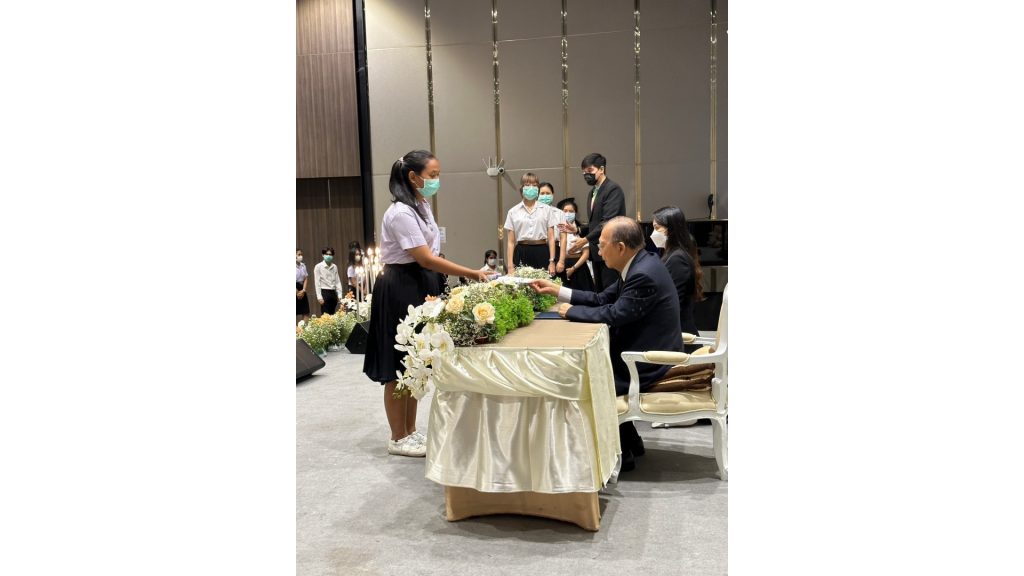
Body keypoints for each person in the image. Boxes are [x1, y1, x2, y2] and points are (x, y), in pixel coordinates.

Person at [363, 149, 492, 458]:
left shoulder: (421, 206)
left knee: (416, 362)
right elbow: (425, 258)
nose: (436, 180)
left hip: (420, 283)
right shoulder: (401, 213)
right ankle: (398, 437)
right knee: (399, 365)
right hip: (401, 286)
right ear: (413, 177)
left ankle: (410, 429)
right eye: (432, 175)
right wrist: (472, 272)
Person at [529, 217, 683, 472]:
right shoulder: (641, 262)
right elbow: (603, 298)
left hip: (649, 362)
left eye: (601, 246)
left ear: (620, 247)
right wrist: (557, 291)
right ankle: (630, 442)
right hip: (644, 350)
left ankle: (616, 454)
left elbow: (615, 314)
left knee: (582, 376)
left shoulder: (642, 274)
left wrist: (571, 311)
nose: (598, 252)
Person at [566, 153, 625, 291]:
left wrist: (585, 239)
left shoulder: (613, 189)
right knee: (599, 291)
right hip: (597, 251)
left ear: (601, 169)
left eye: (590, 170)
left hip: (611, 248)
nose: (587, 175)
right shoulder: (592, 192)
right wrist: (578, 230)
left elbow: (608, 221)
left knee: (611, 290)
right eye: (584, 172)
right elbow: (595, 222)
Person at [652, 206, 705, 352]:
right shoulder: (670, 254)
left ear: (671, 229)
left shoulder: (677, 260)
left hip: (679, 339)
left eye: (657, 228)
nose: (653, 233)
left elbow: (672, 304)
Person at [504, 173, 558, 277]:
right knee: (521, 283)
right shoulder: (513, 212)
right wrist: (510, 266)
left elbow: (551, 238)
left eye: (534, 185)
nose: (531, 188)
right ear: (522, 188)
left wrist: (552, 261)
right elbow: (510, 242)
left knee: (543, 282)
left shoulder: (547, 210)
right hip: (521, 251)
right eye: (527, 185)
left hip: (542, 250)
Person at [554, 196, 595, 292]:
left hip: (579, 266)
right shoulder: (556, 229)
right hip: (561, 265)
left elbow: (586, 254)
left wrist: (573, 268)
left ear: (575, 213)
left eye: (571, 211)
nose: (568, 213)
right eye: (565, 211)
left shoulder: (581, 230)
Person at [314, 247, 344, 315]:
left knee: (332, 314)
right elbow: (317, 282)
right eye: (327, 254)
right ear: (323, 255)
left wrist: (340, 295)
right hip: (324, 291)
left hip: (333, 292)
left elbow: (337, 281)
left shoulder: (334, 266)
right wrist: (319, 297)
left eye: (330, 255)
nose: (328, 256)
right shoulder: (318, 266)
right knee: (325, 315)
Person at [296, 249, 310, 322]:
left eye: (301, 254)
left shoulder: (303, 265)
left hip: (302, 288)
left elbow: (305, 279)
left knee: (305, 311)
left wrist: (303, 290)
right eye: (299, 255)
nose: (300, 256)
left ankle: (305, 328)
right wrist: (297, 292)